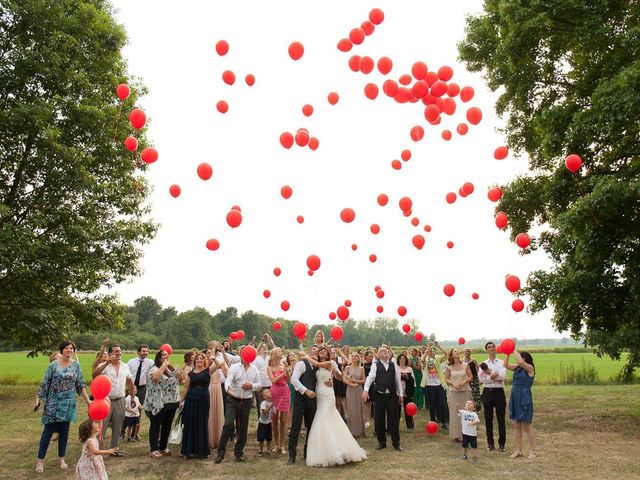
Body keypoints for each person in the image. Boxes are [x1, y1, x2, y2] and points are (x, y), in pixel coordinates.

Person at [304, 346, 367, 467]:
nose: (322, 352)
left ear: (327, 354)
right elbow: (334, 374)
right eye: (320, 351)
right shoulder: (318, 366)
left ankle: (337, 449)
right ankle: (324, 449)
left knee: (326, 416)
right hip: (320, 392)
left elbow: (338, 375)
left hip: (328, 393)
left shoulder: (328, 363)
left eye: (325, 351)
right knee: (324, 416)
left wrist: (306, 356)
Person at [35, 340, 91, 474]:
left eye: (71, 348)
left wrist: (89, 401)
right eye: (67, 348)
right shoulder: (53, 365)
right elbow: (45, 383)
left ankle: (61, 459)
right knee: (47, 433)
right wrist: (38, 399)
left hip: (68, 405)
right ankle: (40, 462)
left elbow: (81, 385)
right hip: (52, 405)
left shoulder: (76, 366)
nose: (69, 350)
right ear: (61, 350)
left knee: (64, 433)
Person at [214, 346, 261, 464]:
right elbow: (228, 380)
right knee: (228, 424)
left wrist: (251, 386)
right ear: (241, 355)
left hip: (246, 401)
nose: (245, 358)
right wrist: (227, 388)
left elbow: (259, 384)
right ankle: (221, 452)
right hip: (232, 400)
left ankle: (239, 452)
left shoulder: (254, 369)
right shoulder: (234, 367)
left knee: (243, 428)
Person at [93, 344, 135, 455]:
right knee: (102, 428)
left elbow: (130, 382)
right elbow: (94, 375)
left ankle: (115, 450)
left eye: (120, 351)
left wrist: (132, 397)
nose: (119, 353)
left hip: (120, 399)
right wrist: (106, 363)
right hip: (105, 401)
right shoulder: (104, 365)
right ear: (111, 354)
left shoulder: (125, 366)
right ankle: (98, 452)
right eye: (116, 351)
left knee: (117, 427)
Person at [180, 352, 220, 459]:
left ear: (204, 361)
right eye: (197, 359)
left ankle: (201, 451)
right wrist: (180, 402)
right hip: (191, 401)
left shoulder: (208, 371)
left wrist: (213, 358)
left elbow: (219, 365)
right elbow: (186, 388)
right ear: (194, 361)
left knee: (202, 424)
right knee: (190, 424)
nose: (199, 360)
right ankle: (188, 451)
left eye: (201, 359)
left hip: (203, 401)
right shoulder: (191, 374)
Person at [363, 346, 403, 451]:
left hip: (392, 396)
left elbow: (397, 381)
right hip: (379, 395)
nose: (387, 353)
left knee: (393, 419)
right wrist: (366, 390)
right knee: (379, 419)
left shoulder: (394, 365)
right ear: (379, 355)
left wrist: (401, 394)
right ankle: (382, 442)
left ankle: (396, 443)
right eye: (384, 352)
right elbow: (370, 378)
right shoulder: (375, 365)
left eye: (388, 352)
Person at [145, 349, 180, 459]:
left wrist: (175, 369)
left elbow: (180, 379)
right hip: (158, 402)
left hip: (171, 402)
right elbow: (155, 378)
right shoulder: (154, 369)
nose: (166, 356)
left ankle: (163, 447)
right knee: (156, 425)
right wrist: (164, 365)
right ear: (159, 358)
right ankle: (154, 449)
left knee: (167, 426)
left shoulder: (169, 369)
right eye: (164, 355)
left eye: (167, 354)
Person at [287, 346, 319, 465]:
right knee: (295, 428)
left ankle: (308, 453)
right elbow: (294, 380)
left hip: (312, 401)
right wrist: (306, 391)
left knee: (311, 428)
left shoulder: (316, 366)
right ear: (309, 351)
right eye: (314, 350)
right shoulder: (301, 364)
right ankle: (292, 455)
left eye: (317, 350)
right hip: (301, 399)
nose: (316, 351)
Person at [505, 350, 537, 459]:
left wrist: (513, 349)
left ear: (524, 358)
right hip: (515, 396)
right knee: (516, 425)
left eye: (520, 357)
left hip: (524, 397)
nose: (517, 359)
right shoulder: (517, 367)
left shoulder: (530, 368)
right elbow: (506, 365)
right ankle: (518, 450)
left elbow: (521, 362)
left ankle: (533, 451)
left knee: (527, 425)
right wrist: (508, 353)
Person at [479, 341, 507, 452]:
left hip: (499, 392)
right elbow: (481, 379)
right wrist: (491, 377)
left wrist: (490, 375)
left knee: (501, 419)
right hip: (487, 393)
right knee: (488, 419)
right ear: (486, 350)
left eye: (493, 347)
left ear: (495, 349)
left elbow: (502, 377)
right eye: (489, 347)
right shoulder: (483, 364)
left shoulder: (501, 362)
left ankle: (502, 444)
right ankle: (490, 443)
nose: (491, 348)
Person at [444, 348, 472, 441]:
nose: (457, 352)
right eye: (455, 351)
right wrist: (452, 383)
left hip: (465, 391)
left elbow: (471, 376)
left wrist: (464, 382)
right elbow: (446, 379)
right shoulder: (449, 367)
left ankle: (466, 434)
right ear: (451, 355)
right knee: (455, 413)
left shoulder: (465, 365)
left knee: (466, 412)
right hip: (454, 392)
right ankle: (456, 435)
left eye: (457, 351)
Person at [267, 347, 290, 454]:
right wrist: (283, 373)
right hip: (275, 393)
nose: (282, 352)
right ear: (274, 354)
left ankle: (283, 445)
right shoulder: (270, 367)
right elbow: (273, 380)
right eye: (279, 351)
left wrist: (287, 371)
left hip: (285, 392)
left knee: (284, 420)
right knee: (275, 419)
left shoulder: (283, 366)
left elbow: (289, 379)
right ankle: (276, 444)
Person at [420, 342, 448, 429]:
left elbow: (446, 354)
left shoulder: (437, 358)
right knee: (432, 405)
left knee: (442, 404)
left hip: (439, 385)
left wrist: (438, 346)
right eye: (429, 351)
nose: (430, 352)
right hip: (429, 386)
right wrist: (426, 351)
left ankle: (443, 422)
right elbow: (422, 360)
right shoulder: (425, 360)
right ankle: (433, 421)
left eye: (431, 351)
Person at [206, 341, 227, 449]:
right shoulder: (207, 353)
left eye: (217, 344)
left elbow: (225, 368)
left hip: (218, 385)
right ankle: (210, 438)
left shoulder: (221, 356)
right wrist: (213, 350)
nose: (217, 345)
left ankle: (218, 438)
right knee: (210, 411)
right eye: (215, 344)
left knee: (218, 410)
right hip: (210, 385)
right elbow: (210, 362)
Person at [344, 352, 366, 437]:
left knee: (360, 408)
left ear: (358, 358)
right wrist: (351, 384)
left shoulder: (361, 369)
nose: (353, 357)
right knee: (351, 409)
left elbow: (364, 380)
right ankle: (352, 431)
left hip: (359, 390)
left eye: (355, 356)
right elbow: (344, 379)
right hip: (350, 390)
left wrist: (356, 382)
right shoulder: (347, 367)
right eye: (352, 356)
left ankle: (361, 432)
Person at [127, 345, 153, 412]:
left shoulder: (150, 362)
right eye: (143, 351)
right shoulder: (131, 362)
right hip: (131, 387)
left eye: (147, 351)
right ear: (138, 352)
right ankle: (127, 421)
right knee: (128, 406)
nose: (145, 353)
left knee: (139, 407)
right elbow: (125, 373)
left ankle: (137, 422)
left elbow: (157, 366)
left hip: (142, 388)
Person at [397, 353, 415, 429]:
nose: (402, 360)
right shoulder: (396, 368)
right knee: (397, 409)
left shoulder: (409, 369)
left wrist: (407, 377)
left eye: (403, 358)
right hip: (397, 391)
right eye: (400, 358)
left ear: (406, 359)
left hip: (407, 391)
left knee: (408, 408)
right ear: (398, 360)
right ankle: (396, 425)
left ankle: (410, 425)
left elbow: (413, 381)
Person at [257, 388, 274, 457]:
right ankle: (260, 450)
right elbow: (264, 412)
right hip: (262, 423)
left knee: (269, 437)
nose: (269, 392)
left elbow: (274, 412)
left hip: (268, 423)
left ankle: (268, 450)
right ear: (264, 396)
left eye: (269, 391)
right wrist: (270, 406)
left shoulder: (271, 403)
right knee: (261, 438)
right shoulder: (263, 403)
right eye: (267, 392)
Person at [464, 348, 482, 413]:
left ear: (470, 353)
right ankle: (468, 407)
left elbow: (478, 371)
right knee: (467, 394)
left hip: (474, 379)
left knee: (475, 394)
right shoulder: (462, 361)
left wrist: (479, 379)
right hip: (466, 380)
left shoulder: (473, 361)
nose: (466, 353)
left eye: (467, 351)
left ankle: (477, 409)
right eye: (465, 352)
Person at [362, 350, 374, 427]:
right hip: (362, 384)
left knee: (369, 403)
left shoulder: (374, 365)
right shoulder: (362, 364)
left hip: (371, 385)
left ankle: (368, 420)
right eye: (369, 356)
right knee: (363, 402)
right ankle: (363, 418)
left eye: (372, 356)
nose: (371, 358)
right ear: (365, 356)